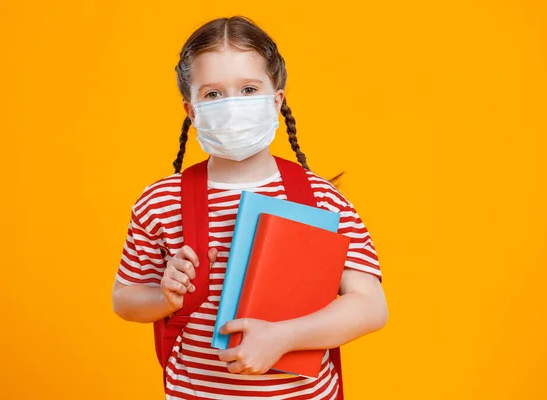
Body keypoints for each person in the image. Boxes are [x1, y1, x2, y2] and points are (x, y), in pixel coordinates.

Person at [112, 15, 387, 399]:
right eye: (213, 95)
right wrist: (165, 296)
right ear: (191, 111)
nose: (232, 106)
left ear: (276, 100)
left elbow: (371, 305)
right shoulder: (161, 201)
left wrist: (284, 337)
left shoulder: (321, 199)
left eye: (248, 89)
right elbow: (124, 299)